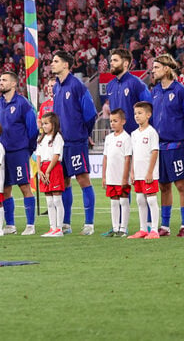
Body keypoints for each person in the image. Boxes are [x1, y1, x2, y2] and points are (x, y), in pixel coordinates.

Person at [50, 50, 97, 235]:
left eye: (56, 61)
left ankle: (89, 224)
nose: (52, 64)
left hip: (76, 141)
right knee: (64, 181)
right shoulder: (56, 87)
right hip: (61, 143)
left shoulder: (77, 86)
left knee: (82, 179)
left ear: (66, 65)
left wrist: (83, 133)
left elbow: (90, 114)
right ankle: (66, 223)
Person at [151, 54, 184, 237]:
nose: (153, 71)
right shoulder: (154, 91)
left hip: (178, 145)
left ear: (167, 69)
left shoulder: (182, 92)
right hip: (160, 146)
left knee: (181, 186)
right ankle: (165, 226)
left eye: (156, 67)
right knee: (163, 186)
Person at [0, 71, 39, 235]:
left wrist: (28, 148)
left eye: (4, 80)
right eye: (0, 80)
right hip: (2, 153)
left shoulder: (23, 103)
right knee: (5, 189)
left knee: (24, 186)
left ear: (13, 84)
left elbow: (33, 129)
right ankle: (10, 225)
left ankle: (30, 225)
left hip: (19, 151)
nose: (1, 82)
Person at [128, 102, 161, 239]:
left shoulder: (152, 132)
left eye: (140, 113)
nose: (137, 116)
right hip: (138, 173)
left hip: (149, 173)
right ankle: (143, 229)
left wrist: (150, 172)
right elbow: (134, 154)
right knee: (140, 200)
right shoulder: (134, 134)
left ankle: (154, 230)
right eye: (135, 113)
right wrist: (132, 172)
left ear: (148, 115)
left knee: (151, 200)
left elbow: (154, 152)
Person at [105, 48, 152, 134]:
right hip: (117, 137)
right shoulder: (110, 86)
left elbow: (149, 108)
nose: (111, 63)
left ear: (125, 63)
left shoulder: (136, 83)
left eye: (115, 60)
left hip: (135, 137)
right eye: (111, 60)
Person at [101, 110, 132, 237]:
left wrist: (125, 177)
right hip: (111, 176)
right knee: (113, 202)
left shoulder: (126, 138)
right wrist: (104, 177)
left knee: (124, 201)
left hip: (121, 177)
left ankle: (123, 228)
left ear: (123, 122)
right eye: (111, 121)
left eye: (115, 121)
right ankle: (115, 228)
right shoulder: (108, 138)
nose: (112, 124)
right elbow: (105, 157)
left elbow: (127, 158)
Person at [36, 112, 64, 237]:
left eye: (46, 123)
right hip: (43, 168)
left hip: (54, 168)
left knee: (57, 199)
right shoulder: (41, 139)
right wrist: (40, 170)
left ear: (53, 124)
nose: (44, 126)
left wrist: (48, 171)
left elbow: (56, 155)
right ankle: (52, 227)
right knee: (49, 201)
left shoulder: (57, 138)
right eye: (43, 124)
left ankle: (59, 228)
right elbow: (38, 155)